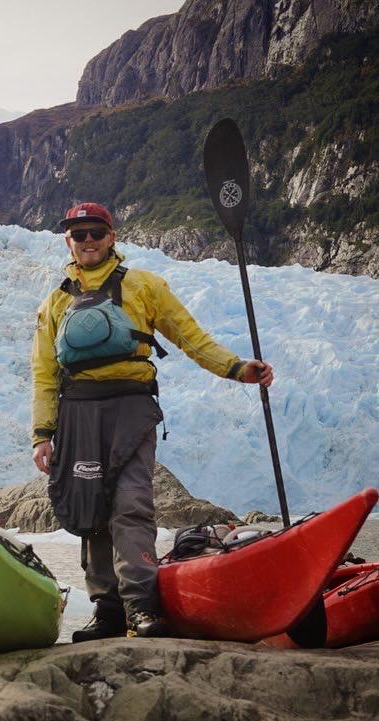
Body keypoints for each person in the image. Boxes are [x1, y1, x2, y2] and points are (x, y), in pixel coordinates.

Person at [30, 202, 274, 642]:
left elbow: (189, 336)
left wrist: (236, 368)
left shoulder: (144, 285)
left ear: (111, 237)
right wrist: (42, 434)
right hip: (78, 414)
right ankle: (106, 612)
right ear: (68, 241)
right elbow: (45, 372)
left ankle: (140, 606)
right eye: (78, 234)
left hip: (130, 407)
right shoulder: (55, 301)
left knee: (130, 504)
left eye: (95, 233)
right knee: (91, 511)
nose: (87, 240)